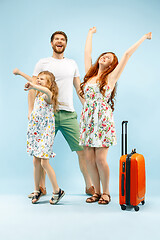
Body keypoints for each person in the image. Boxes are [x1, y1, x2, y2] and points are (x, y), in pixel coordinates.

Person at [79, 27, 152, 204]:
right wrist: (90, 33)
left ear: (112, 64)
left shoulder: (111, 77)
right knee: (89, 159)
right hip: (88, 120)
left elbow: (126, 55)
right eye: (104, 55)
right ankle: (95, 192)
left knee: (100, 159)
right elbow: (87, 53)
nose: (105, 57)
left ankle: (106, 193)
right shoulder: (90, 75)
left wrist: (143, 37)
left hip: (102, 120)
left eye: (110, 58)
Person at [28, 31, 94, 198]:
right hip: (46, 115)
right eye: (56, 39)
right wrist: (30, 111)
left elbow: (78, 89)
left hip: (68, 113)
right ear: (52, 43)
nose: (60, 41)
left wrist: (87, 107)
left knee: (82, 151)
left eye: (63, 39)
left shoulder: (72, 64)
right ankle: (41, 188)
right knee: (40, 154)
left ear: (65, 44)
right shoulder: (43, 62)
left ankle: (89, 185)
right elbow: (32, 86)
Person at [13, 68, 65, 204]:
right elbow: (32, 80)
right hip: (35, 131)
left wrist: (33, 85)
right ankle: (37, 189)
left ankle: (57, 190)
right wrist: (20, 73)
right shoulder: (37, 94)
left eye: (42, 79)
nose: (38, 81)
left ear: (49, 83)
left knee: (44, 162)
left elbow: (44, 90)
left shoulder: (48, 95)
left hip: (45, 133)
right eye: (38, 79)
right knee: (35, 161)